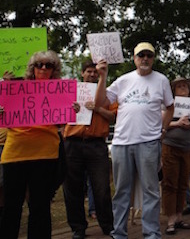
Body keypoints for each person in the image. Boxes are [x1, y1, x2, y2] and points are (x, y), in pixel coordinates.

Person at [94, 42, 174, 239]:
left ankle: (151, 233)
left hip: (149, 142)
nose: (145, 58)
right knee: (121, 191)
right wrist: (102, 76)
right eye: (141, 55)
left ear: (153, 58)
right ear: (134, 58)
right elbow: (99, 103)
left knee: (151, 190)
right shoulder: (123, 80)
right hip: (122, 143)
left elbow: (170, 107)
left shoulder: (161, 80)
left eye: (149, 55)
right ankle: (119, 233)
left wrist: (163, 129)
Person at [0, 50, 67, 238]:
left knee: (40, 205)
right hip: (15, 152)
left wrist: (73, 111)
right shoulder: (14, 88)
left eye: (49, 65)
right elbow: (3, 116)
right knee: (12, 205)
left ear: (54, 70)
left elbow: (62, 123)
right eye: (39, 65)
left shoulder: (60, 91)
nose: (43, 68)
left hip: (45, 153)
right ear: (32, 68)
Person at [63, 59, 117, 239]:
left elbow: (112, 117)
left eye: (95, 72)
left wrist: (98, 108)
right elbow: (58, 113)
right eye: (88, 71)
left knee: (101, 187)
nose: (92, 74)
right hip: (73, 143)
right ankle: (78, 228)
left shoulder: (108, 94)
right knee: (72, 188)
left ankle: (108, 226)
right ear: (82, 74)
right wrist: (71, 109)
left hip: (96, 144)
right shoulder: (69, 92)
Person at [161, 76, 190, 235]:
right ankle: (170, 220)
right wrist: (177, 123)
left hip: (188, 148)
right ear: (174, 90)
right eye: (179, 86)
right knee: (170, 183)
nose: (183, 89)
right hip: (170, 147)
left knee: (183, 183)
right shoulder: (169, 105)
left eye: (185, 86)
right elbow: (161, 124)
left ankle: (179, 217)